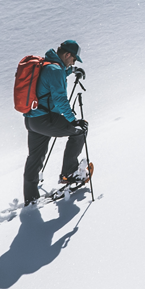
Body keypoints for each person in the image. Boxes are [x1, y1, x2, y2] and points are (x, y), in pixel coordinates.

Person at [22, 39, 90, 206]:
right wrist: (73, 121)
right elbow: (60, 100)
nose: (73, 62)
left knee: (35, 158)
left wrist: (71, 71)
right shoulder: (55, 70)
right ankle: (69, 174)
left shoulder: (48, 64)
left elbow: (53, 78)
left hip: (32, 120)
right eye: (73, 59)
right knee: (79, 131)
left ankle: (30, 198)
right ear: (67, 54)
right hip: (46, 119)